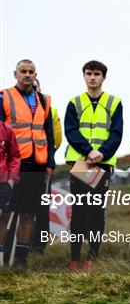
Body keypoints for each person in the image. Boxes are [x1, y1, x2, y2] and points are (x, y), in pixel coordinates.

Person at [64, 60, 123, 271]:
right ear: (84, 76)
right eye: (89, 73)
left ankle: (92, 258)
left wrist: (101, 154)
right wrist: (88, 151)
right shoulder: (75, 103)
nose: (92, 77)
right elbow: (70, 131)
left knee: (97, 211)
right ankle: (74, 259)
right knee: (79, 211)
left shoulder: (114, 103)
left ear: (103, 77)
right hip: (80, 163)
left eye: (96, 74)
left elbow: (117, 134)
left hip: (103, 165)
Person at [0, 59, 55, 270]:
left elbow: (48, 133)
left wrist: (49, 162)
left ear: (35, 74)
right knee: (4, 212)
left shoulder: (44, 100)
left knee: (28, 213)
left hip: (37, 165)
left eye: (31, 71)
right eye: (23, 71)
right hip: (10, 166)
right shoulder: (4, 97)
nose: (27, 75)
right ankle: (2, 259)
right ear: (15, 74)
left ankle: (21, 261)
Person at [32, 78, 63, 254]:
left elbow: (56, 139)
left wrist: (46, 157)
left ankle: (38, 247)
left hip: (43, 166)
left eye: (35, 87)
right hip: (19, 166)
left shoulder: (50, 110)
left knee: (42, 208)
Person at [0, 120, 21, 264]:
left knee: (4, 215)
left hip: (3, 180)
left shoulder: (6, 129)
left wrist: (12, 176)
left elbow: (14, 155)